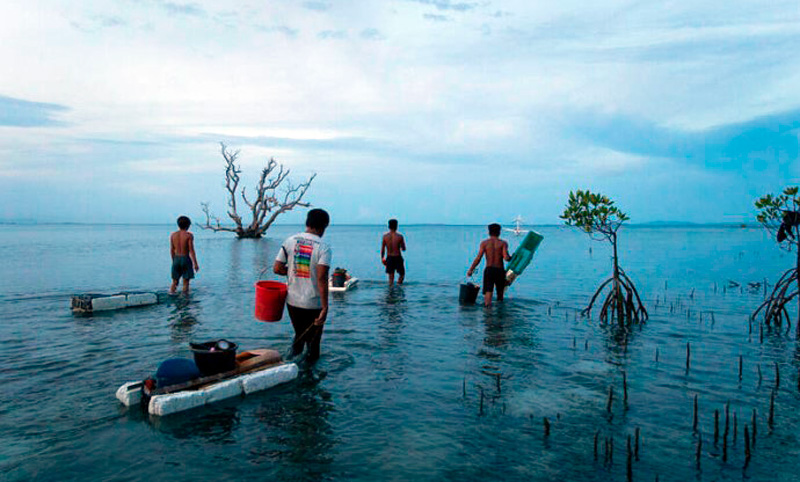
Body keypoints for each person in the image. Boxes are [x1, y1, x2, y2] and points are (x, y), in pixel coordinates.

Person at [273, 209, 331, 362]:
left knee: (299, 335)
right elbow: (321, 277)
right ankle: (310, 381)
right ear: (324, 226)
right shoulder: (323, 247)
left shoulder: (290, 241)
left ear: (308, 222)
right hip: (313, 303)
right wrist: (325, 307)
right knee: (313, 344)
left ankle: (288, 367)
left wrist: (294, 271)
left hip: (292, 301)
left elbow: (277, 268)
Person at [467, 223, 511, 307]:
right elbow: (506, 258)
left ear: (489, 232)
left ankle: (488, 315)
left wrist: (471, 270)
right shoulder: (503, 243)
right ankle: (500, 316)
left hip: (489, 270)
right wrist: (512, 257)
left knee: (488, 293)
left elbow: (478, 258)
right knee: (500, 295)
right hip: (500, 270)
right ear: (499, 232)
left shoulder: (484, 243)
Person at [169, 216, 199, 295]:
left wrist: (174, 261)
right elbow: (191, 251)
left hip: (176, 259)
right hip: (185, 258)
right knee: (186, 282)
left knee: (175, 281)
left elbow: (172, 250)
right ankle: (185, 299)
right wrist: (195, 264)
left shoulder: (173, 235)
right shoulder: (189, 235)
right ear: (188, 225)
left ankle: (171, 294)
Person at [381, 218, 406, 285]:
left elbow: (383, 249)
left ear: (389, 226)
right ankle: (398, 286)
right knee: (402, 274)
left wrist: (382, 258)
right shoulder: (400, 236)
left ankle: (391, 292)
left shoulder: (385, 236)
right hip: (397, 257)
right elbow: (403, 249)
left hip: (389, 257)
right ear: (396, 226)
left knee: (390, 278)